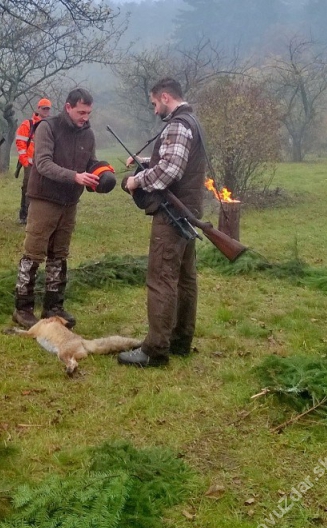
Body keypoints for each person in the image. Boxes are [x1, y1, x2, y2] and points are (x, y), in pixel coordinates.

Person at [118, 77, 206, 367]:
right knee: (184, 278)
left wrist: (135, 180)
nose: (155, 109)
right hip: (188, 213)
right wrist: (146, 159)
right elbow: (175, 158)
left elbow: (169, 171)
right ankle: (180, 340)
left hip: (171, 214)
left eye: (155, 103)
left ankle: (155, 350)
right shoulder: (192, 121)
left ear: (165, 97)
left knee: (162, 279)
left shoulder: (179, 124)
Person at [12, 88, 99, 329]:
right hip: (44, 198)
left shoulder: (88, 133)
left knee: (59, 254)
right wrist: (75, 177)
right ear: (68, 107)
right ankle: (22, 308)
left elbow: (91, 161)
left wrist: (102, 171)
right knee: (34, 253)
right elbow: (43, 163)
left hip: (69, 202)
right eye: (81, 112)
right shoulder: (47, 128)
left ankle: (53, 307)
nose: (85, 117)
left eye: (88, 112)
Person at [15, 97, 52, 224]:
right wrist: (25, 161)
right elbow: (20, 143)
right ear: (38, 109)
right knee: (28, 189)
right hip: (30, 163)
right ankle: (24, 215)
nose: (46, 111)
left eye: (48, 109)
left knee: (45, 189)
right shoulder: (28, 124)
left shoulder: (51, 125)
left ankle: (41, 215)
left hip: (46, 164)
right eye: (44, 108)